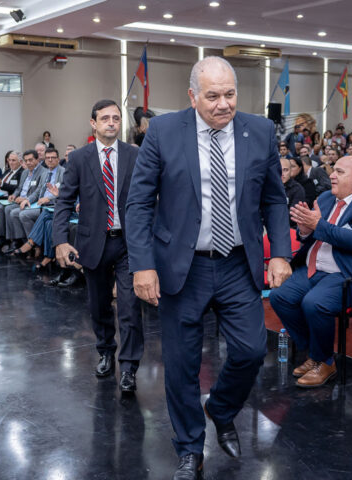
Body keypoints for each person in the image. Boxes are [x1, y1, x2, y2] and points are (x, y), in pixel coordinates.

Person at [124, 57, 292, 479]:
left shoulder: (260, 131)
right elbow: (139, 203)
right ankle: (189, 448)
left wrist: (280, 252)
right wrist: (142, 265)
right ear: (192, 96)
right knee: (181, 364)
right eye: (213, 96)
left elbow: (274, 198)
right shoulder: (163, 131)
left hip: (238, 262)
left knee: (251, 350)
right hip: (182, 266)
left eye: (230, 94)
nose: (223, 104)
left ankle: (221, 407)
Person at [270, 155, 352, 385]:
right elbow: (309, 235)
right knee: (279, 297)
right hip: (313, 268)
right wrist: (305, 230)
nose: (332, 176)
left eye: (339, 172)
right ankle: (313, 353)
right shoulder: (325, 198)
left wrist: (317, 225)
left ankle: (324, 362)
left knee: (315, 303)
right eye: (334, 170)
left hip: (346, 273)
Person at [53, 99, 145, 397]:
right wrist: (60, 240)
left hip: (128, 243)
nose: (111, 122)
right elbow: (64, 201)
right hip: (93, 243)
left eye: (116, 118)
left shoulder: (135, 155)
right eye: (105, 118)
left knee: (130, 307)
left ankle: (129, 366)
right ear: (93, 123)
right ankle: (106, 351)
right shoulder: (79, 159)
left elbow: (148, 198)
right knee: (99, 305)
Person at [280, 157, 306, 226]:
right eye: (279, 170)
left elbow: (293, 215)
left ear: (290, 171)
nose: (282, 173)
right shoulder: (268, 186)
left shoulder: (297, 189)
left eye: (285, 170)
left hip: (287, 226)